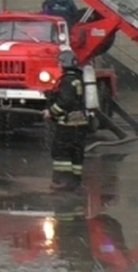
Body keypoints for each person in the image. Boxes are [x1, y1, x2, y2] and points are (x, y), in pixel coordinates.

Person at [47, 49, 89, 191]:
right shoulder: (78, 78)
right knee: (76, 152)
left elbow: (65, 102)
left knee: (61, 152)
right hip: (81, 124)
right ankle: (75, 181)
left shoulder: (67, 80)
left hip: (67, 124)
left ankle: (62, 181)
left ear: (64, 63)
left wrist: (51, 112)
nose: (58, 65)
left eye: (59, 63)